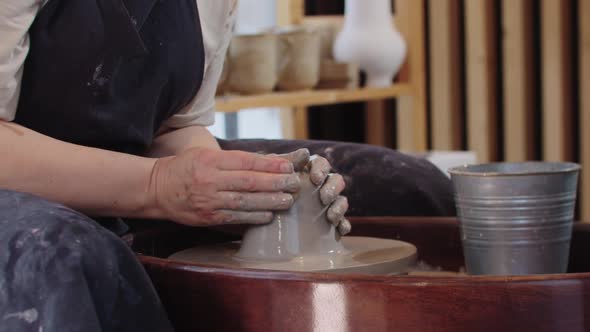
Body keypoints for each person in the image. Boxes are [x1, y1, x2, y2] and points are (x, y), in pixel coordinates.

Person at [0, 0, 454, 331]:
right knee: (67, 252)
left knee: (407, 185)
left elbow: (176, 127)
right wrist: (159, 187)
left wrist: (241, 188)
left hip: (134, 172)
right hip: (18, 179)